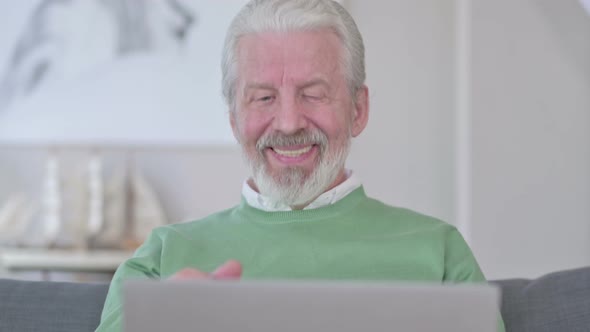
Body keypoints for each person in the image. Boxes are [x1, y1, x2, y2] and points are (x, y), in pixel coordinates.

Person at [96, 0, 505, 331]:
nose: (289, 123)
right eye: (263, 98)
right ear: (234, 119)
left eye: (313, 94)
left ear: (358, 110)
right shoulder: (162, 260)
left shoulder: (438, 252)